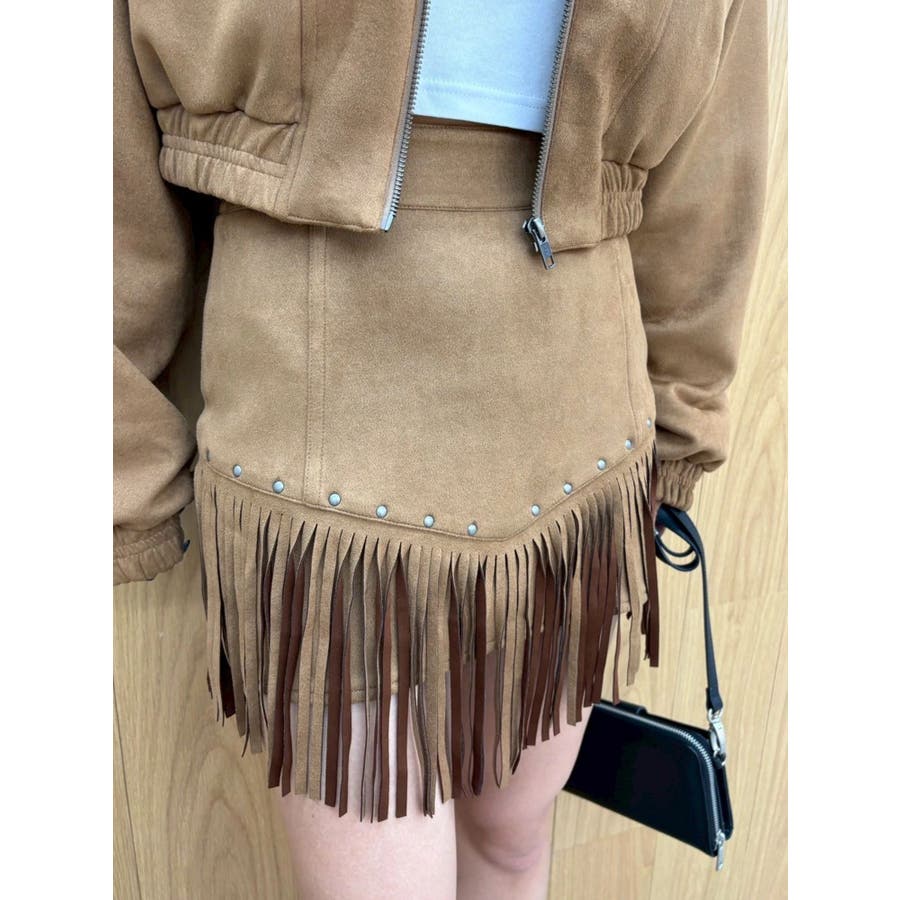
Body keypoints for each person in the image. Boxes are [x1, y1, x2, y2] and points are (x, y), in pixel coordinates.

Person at [113, 0, 768, 897]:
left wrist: (683, 420)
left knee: (513, 840)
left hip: (575, 434)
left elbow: (712, 168)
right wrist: (120, 457)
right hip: (321, 451)